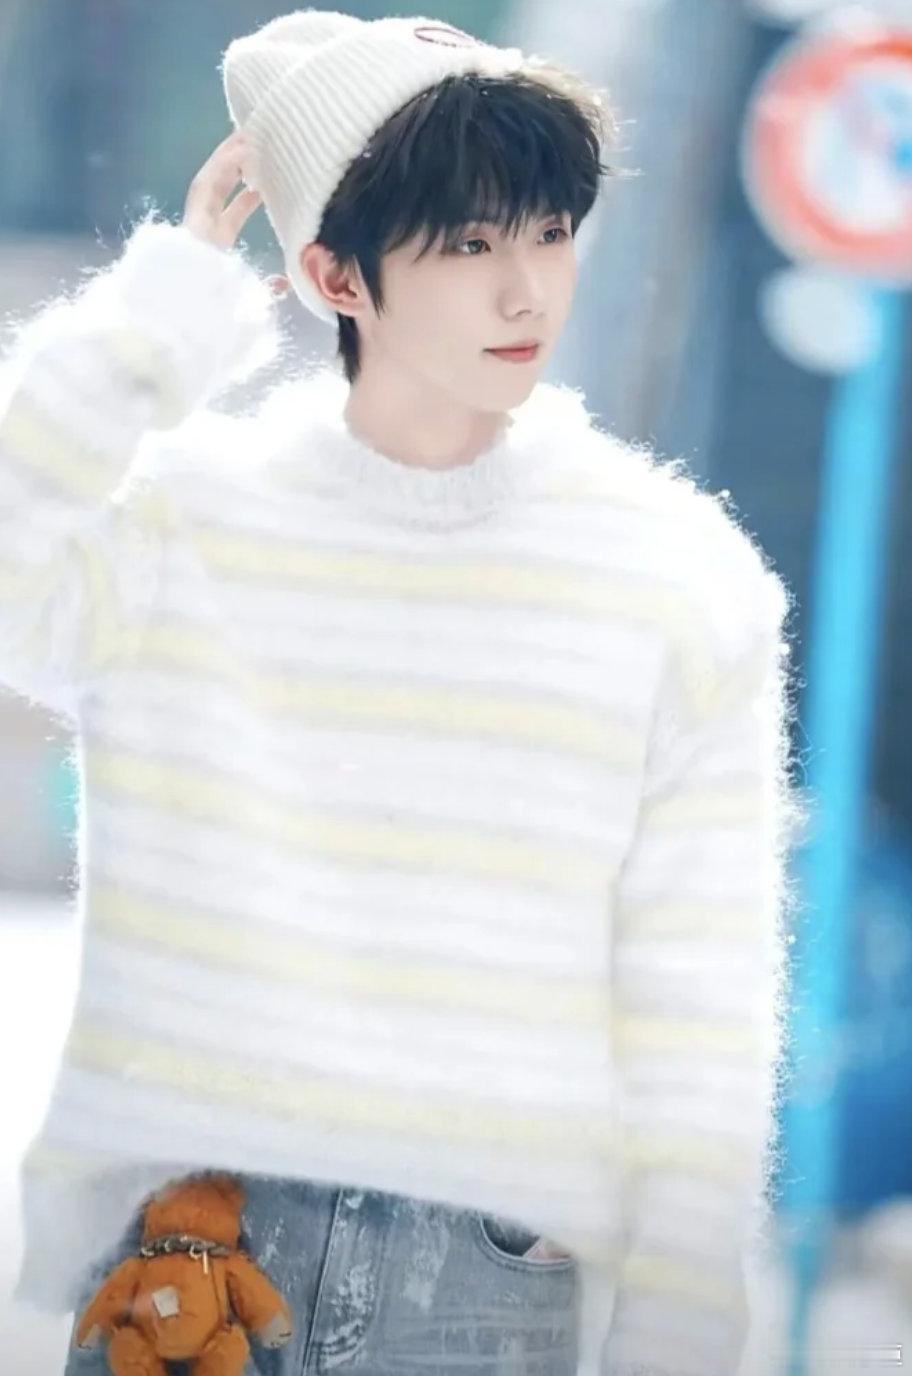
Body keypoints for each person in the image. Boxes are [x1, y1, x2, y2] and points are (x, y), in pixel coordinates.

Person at [2, 10, 803, 1376]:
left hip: (484, 1268)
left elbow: (698, 989)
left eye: (549, 231)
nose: (527, 292)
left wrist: (680, 1322)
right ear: (335, 275)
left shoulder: (674, 573)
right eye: (469, 245)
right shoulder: (181, 528)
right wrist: (163, 310)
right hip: (188, 1253)